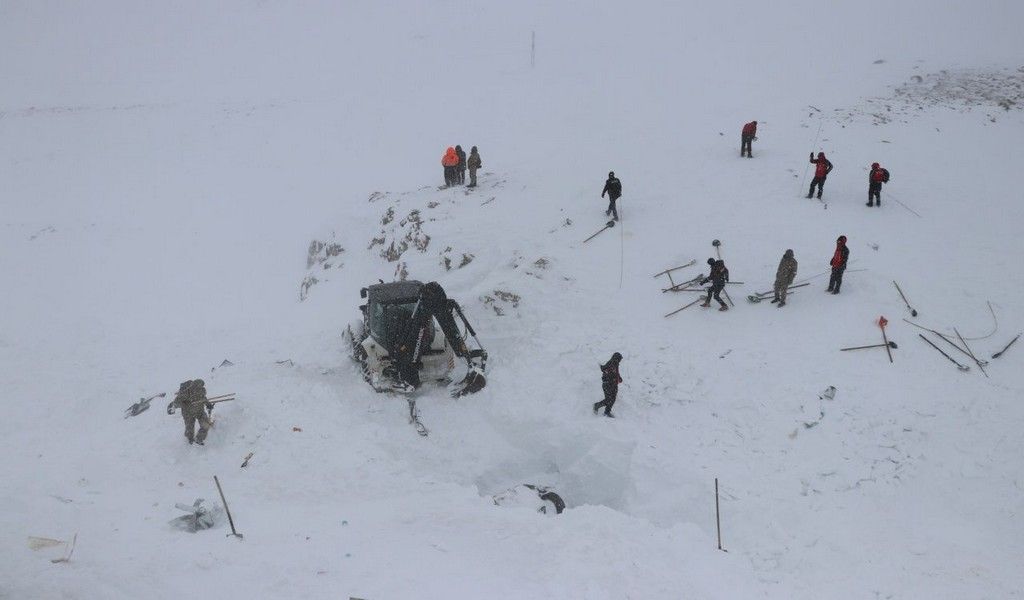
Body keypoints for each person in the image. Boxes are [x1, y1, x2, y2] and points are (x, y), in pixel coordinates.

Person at [169, 379, 213, 445]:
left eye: (200, 387)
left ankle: (199, 438)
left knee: (206, 424)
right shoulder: (186, 393)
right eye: (197, 387)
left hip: (199, 411)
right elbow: (176, 402)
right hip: (188, 413)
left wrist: (208, 405)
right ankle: (189, 442)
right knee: (189, 429)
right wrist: (185, 404)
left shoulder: (201, 391)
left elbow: (203, 398)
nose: (199, 389)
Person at [593, 352, 623, 418]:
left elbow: (616, 373)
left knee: (613, 399)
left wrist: (619, 378)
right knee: (608, 399)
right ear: (616, 358)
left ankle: (607, 412)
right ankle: (597, 405)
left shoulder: (615, 364)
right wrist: (613, 379)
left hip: (614, 385)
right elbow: (605, 372)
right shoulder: (610, 364)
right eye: (619, 359)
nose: (620, 361)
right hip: (608, 384)